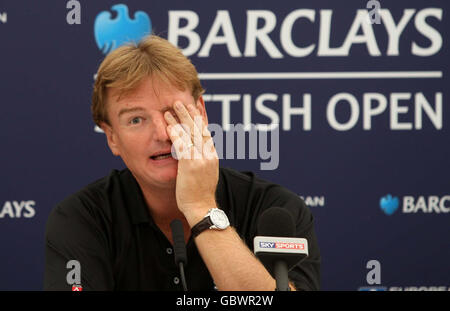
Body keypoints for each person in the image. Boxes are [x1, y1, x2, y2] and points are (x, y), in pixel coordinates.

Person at [44, 35, 320, 291]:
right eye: (136, 120)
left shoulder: (274, 208)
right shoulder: (82, 219)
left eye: (172, 113)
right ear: (112, 137)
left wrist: (201, 208)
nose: (162, 134)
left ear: (200, 112)